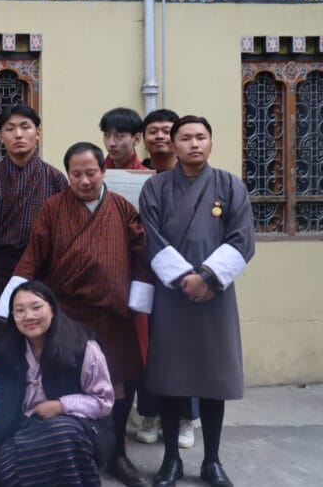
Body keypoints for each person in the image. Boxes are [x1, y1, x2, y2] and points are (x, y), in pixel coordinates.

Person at [0, 142, 152, 487]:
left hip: (114, 313)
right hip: (68, 315)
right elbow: (34, 254)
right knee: (73, 382)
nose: (84, 181)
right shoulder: (53, 208)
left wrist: (138, 300)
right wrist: (11, 301)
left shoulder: (122, 208)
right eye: (76, 174)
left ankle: (118, 455)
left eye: (91, 173)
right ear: (67, 174)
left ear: (103, 171)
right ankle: (77, 443)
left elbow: (141, 254)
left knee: (117, 382)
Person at [139, 116, 255, 487]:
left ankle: (212, 461)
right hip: (172, 295)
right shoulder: (155, 188)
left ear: (211, 142)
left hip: (214, 296)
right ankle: (170, 460)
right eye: (185, 137)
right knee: (172, 379)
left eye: (201, 137)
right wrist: (184, 279)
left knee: (211, 379)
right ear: (173, 145)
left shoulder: (229, 185)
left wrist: (207, 277)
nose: (193, 144)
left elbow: (241, 239)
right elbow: (150, 238)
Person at [0, 281, 115, 487]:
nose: (28, 316)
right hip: (20, 434)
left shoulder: (82, 348)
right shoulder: (1, 351)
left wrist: (62, 406)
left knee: (63, 433)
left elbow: (104, 401)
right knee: (8, 477)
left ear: (53, 309)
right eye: (19, 311)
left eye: (36, 307)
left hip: (73, 431)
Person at [134, 108, 199, 450]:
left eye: (165, 131)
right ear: (143, 138)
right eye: (152, 131)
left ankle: (188, 416)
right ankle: (150, 412)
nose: (159, 136)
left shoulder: (194, 177)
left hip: (192, 277)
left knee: (186, 347)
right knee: (151, 347)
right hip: (148, 272)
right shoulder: (136, 177)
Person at [0, 105, 67, 339]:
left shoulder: (55, 179)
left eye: (25, 127)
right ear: (0, 137)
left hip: (42, 269)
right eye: (10, 128)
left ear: (37, 133)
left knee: (42, 334)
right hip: (0, 269)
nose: (18, 134)